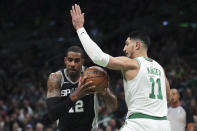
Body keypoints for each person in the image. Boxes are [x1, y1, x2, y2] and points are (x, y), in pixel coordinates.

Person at [70, 4, 171, 131]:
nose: (124, 49)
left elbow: (98, 58)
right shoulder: (160, 69)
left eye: (127, 44)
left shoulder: (133, 63)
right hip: (163, 124)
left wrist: (80, 28)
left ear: (137, 45)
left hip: (139, 123)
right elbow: (168, 97)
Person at [44, 46, 117, 131]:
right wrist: (76, 95)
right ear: (65, 60)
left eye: (77, 61)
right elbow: (52, 115)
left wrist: (106, 94)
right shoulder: (56, 78)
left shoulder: (93, 76)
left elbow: (112, 108)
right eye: (70, 60)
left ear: (82, 61)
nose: (72, 64)